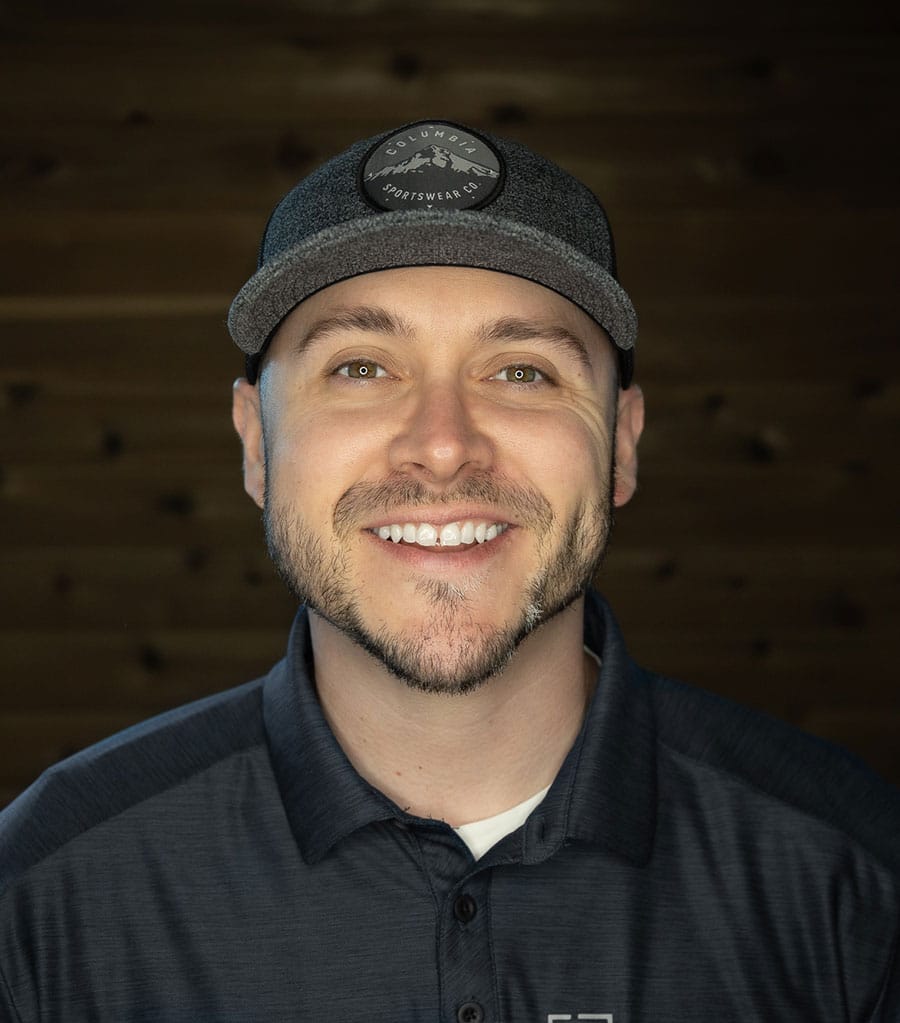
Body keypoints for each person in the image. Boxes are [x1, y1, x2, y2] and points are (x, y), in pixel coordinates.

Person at [0, 119, 897, 1022]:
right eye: (360, 366)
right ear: (255, 443)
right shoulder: (42, 893)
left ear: (621, 444)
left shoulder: (855, 876)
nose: (441, 445)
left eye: (521, 371)